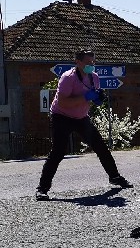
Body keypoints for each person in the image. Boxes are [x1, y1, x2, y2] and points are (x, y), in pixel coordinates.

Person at [36, 50, 133, 201]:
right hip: (62, 116)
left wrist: (98, 98)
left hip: (81, 117)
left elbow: (93, 99)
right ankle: (42, 189)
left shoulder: (94, 77)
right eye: (88, 63)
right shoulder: (68, 78)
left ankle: (115, 177)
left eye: (93, 62)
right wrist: (86, 97)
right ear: (78, 62)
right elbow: (63, 102)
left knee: (101, 147)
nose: (91, 65)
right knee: (58, 152)